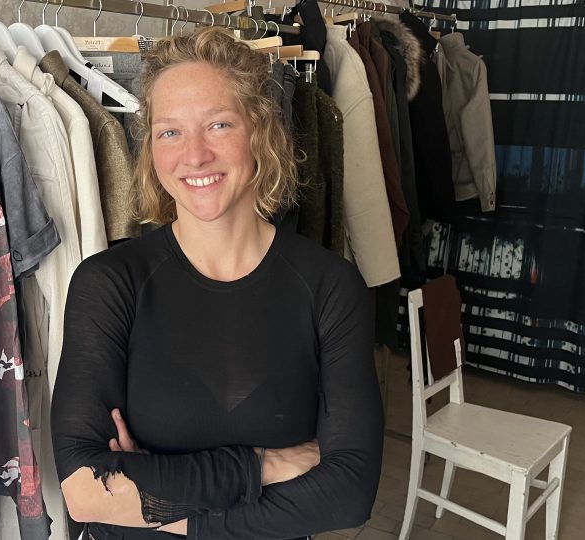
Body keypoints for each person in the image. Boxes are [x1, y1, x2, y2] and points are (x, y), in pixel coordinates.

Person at [51, 27, 384, 539]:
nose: (195, 155)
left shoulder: (330, 287)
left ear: (261, 132)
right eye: (170, 132)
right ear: (150, 147)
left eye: (219, 124)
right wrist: (264, 465)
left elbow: (349, 495)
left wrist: (156, 500)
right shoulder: (108, 284)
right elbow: (85, 492)